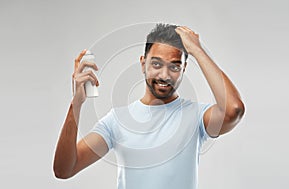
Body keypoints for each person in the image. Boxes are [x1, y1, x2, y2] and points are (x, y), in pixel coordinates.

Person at [53, 23, 245, 189]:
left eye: (175, 66)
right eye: (156, 64)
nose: (164, 75)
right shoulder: (117, 121)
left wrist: (197, 50)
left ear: (184, 68)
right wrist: (76, 105)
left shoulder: (197, 117)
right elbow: (64, 169)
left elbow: (234, 109)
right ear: (143, 63)